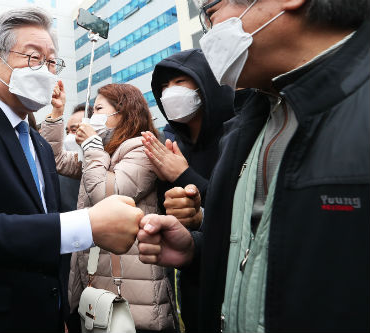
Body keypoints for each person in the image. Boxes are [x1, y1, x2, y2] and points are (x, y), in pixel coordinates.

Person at [138, 0, 369, 332]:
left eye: (211, 12)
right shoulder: (250, 123)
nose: (210, 35)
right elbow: (258, 247)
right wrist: (198, 249)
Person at [0, 7, 142, 332]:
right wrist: (88, 224)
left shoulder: (39, 145)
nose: (46, 70)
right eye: (33, 57)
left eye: (52, 62)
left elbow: (42, 232)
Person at [41, 83, 177, 333]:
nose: (93, 117)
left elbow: (108, 194)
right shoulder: (103, 153)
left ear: (123, 112)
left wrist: (92, 146)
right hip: (101, 284)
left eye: (99, 109)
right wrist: (56, 114)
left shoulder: (141, 148)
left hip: (135, 294)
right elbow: (54, 160)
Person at [142, 48, 235, 332]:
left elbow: (239, 207)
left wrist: (182, 175)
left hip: (232, 282)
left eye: (180, 82)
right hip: (193, 280)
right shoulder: (168, 144)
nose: (170, 92)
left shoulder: (236, 134)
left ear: (206, 83)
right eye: (163, 88)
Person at [59, 103, 87, 212]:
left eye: (74, 130)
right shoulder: (61, 172)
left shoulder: (109, 162)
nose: (70, 136)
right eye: (67, 132)